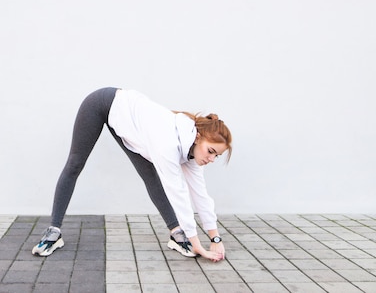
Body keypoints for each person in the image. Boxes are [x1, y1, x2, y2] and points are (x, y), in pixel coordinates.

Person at [32, 87, 232, 261]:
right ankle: (54, 231)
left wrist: (215, 239)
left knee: (149, 175)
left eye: (217, 156)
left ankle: (177, 234)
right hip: (101, 103)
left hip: (131, 125)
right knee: (74, 164)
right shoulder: (168, 144)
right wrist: (197, 243)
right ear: (198, 137)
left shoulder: (194, 150)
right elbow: (177, 192)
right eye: (211, 152)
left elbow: (200, 195)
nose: (211, 159)